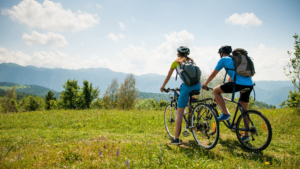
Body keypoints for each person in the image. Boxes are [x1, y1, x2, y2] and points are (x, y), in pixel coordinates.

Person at [202, 45, 253, 142]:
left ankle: (225, 114)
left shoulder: (223, 60)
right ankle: (246, 136)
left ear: (221, 53)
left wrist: (205, 84)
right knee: (244, 111)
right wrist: (227, 84)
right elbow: (232, 76)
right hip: (249, 84)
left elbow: (213, 74)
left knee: (215, 91)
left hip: (238, 84)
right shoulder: (236, 60)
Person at [160, 46, 201, 144]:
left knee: (179, 112)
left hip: (187, 87)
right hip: (198, 86)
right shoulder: (192, 62)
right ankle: (191, 116)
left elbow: (168, 76)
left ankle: (176, 139)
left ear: (178, 54)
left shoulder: (176, 63)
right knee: (188, 99)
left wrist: (163, 87)